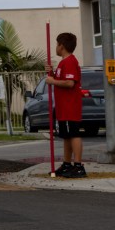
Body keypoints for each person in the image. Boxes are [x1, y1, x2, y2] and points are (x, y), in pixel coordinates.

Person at [47, 32, 85, 178]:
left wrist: (52, 81)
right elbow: (60, 79)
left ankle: (78, 166)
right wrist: (51, 73)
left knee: (73, 134)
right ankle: (67, 164)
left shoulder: (70, 62)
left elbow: (69, 83)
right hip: (63, 106)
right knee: (66, 135)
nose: (55, 47)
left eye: (57, 44)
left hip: (70, 106)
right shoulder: (63, 63)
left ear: (61, 46)